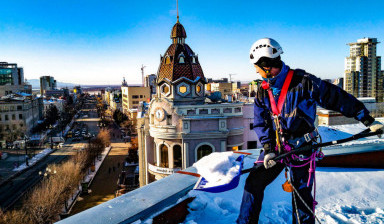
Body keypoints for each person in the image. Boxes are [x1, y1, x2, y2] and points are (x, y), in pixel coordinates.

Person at [237, 38, 384, 224]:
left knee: (302, 198)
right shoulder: (262, 91)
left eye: (257, 67)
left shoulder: (304, 83)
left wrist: (367, 119)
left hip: (302, 147)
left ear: (266, 66)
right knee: (253, 183)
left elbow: (336, 97)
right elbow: (260, 123)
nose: (255, 71)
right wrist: (268, 149)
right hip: (277, 148)